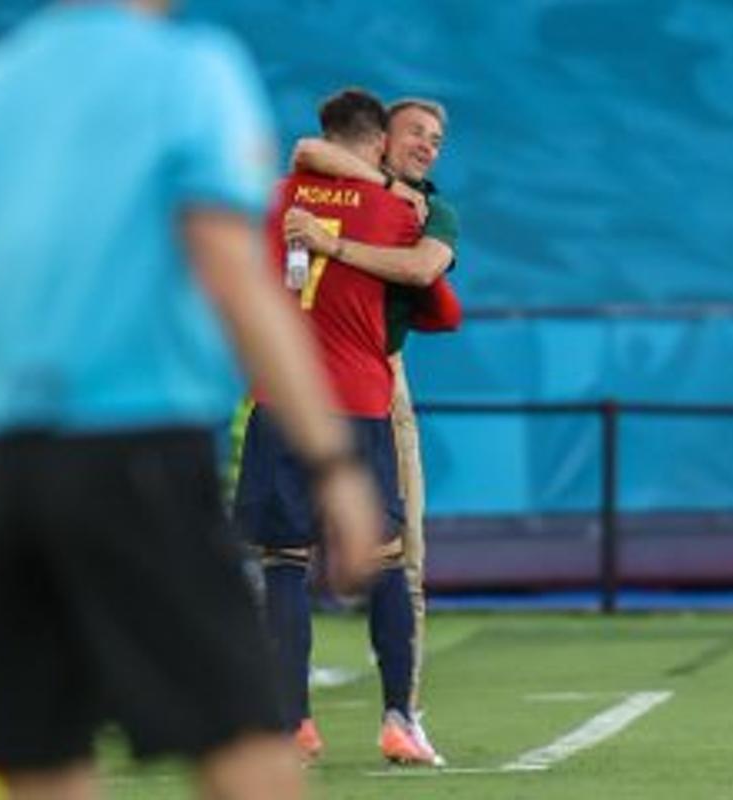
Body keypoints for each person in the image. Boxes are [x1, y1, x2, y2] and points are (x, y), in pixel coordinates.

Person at [0, 3, 382, 799]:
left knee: (46, 771)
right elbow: (232, 271)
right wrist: (333, 464)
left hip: (8, 475)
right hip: (139, 462)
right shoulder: (187, 69)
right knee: (252, 761)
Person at [233, 88, 434, 766]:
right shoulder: (397, 208)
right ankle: (398, 720)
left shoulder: (270, 198)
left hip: (281, 400)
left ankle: (295, 725)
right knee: (383, 563)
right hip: (360, 404)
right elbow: (443, 307)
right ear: (378, 143)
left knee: (283, 565)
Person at [284, 97, 460, 765]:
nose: (429, 146)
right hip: (305, 375)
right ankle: (290, 716)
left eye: (438, 138)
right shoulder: (363, 189)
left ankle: (402, 714)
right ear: (380, 140)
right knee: (285, 553)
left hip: (376, 379)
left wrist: (332, 242)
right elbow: (310, 148)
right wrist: (382, 189)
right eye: (417, 132)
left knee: (400, 553)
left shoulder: (433, 208)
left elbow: (423, 271)